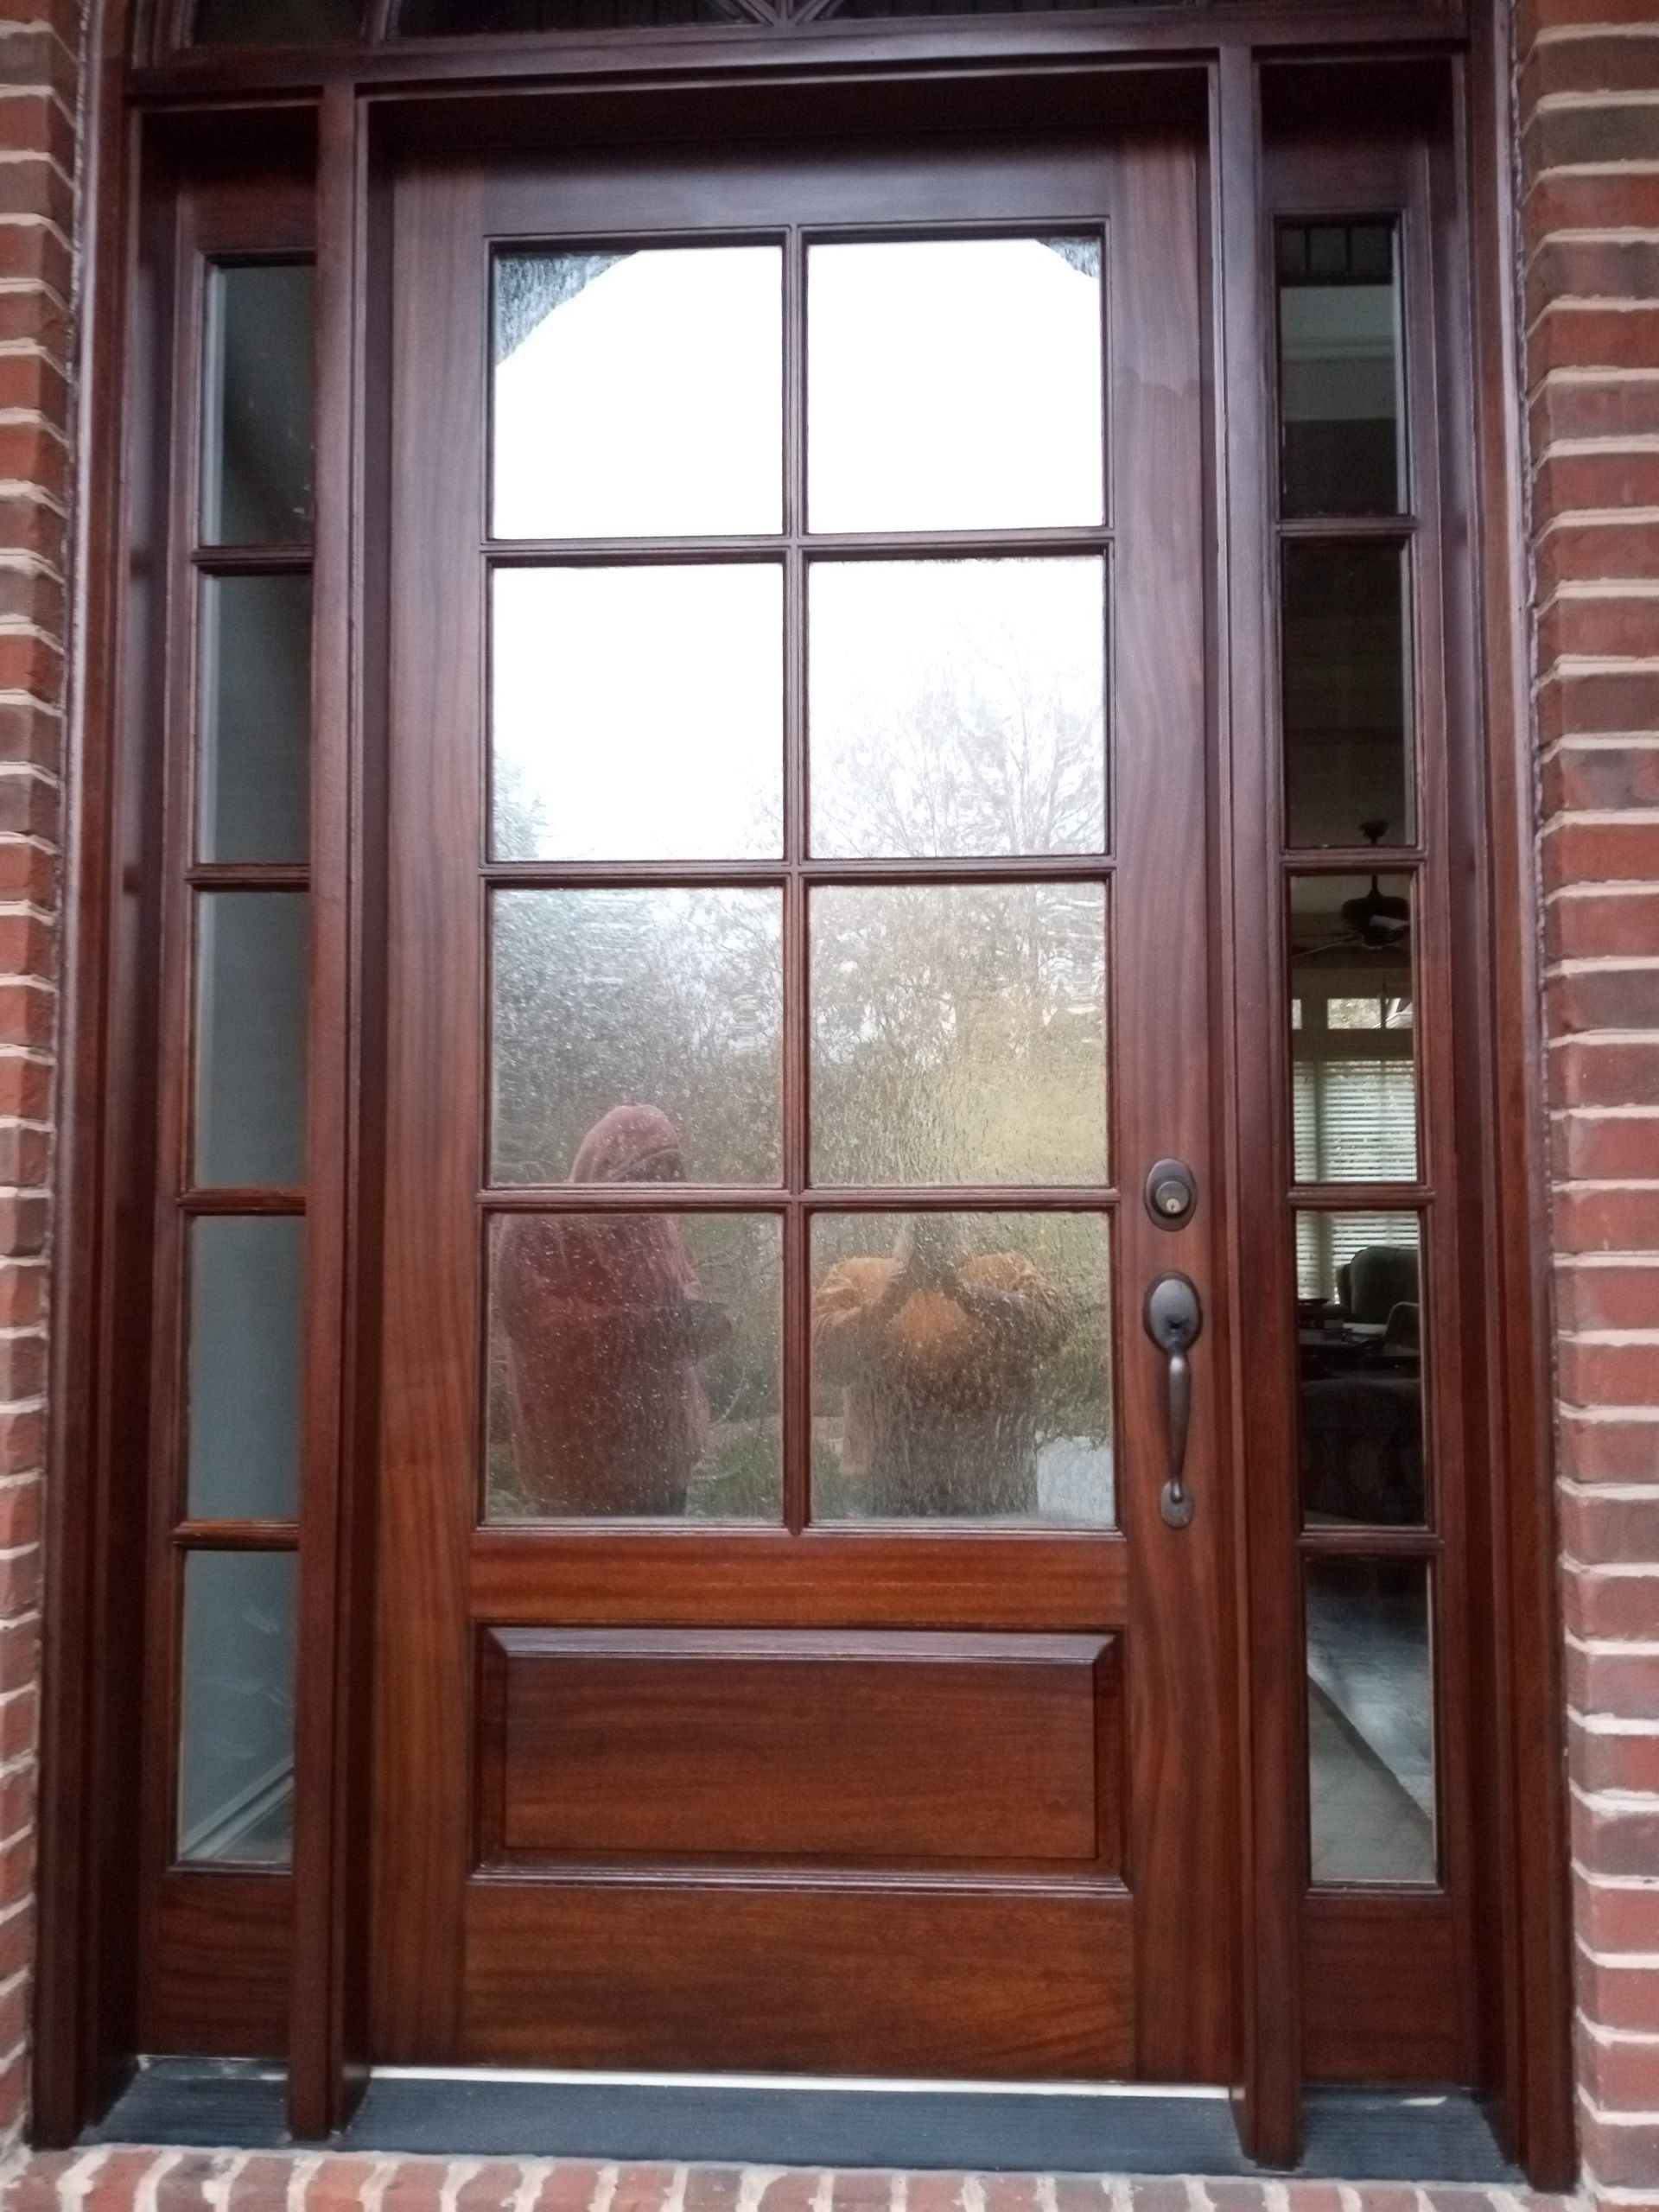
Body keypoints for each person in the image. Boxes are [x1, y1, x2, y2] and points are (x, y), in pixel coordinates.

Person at [495, 1103, 732, 1517]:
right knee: (587, 1578)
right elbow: (540, 1327)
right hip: (576, 1465)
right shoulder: (537, 1220)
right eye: (643, 1176)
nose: (652, 1191)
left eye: (664, 1178)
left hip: (662, 1461)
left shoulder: (657, 1227)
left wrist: (701, 1322)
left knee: (660, 1576)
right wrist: (657, 1330)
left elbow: (681, 1292)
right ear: (603, 1165)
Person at [812, 1216, 1069, 1517]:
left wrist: (968, 1293)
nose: (930, 1230)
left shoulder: (1005, 1269)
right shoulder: (858, 1275)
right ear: (903, 1225)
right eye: (921, 1221)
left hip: (993, 1488)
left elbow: (1053, 1326)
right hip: (885, 1486)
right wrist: (889, 1302)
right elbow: (819, 1351)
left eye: (940, 1221)